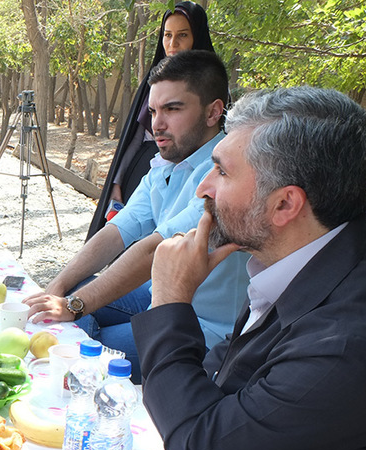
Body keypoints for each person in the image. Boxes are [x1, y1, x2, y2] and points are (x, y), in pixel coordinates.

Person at [131, 87, 366, 450]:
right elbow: (225, 373)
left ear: (285, 205)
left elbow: (195, 433)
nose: (203, 187)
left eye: (221, 171)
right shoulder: (310, 252)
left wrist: (169, 300)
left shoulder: (349, 340)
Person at [22, 50, 248, 382]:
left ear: (214, 111)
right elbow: (116, 232)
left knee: (82, 343)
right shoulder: (166, 164)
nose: (157, 124)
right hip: (158, 298)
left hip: (204, 328)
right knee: (76, 288)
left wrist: (74, 307)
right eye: (154, 111)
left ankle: (83, 381)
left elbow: (153, 250)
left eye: (173, 109)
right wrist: (58, 288)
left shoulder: (225, 175)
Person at [86, 1, 214, 240]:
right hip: (146, 167)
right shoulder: (155, 81)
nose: (173, 44)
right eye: (167, 35)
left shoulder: (213, 86)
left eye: (182, 35)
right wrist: (117, 182)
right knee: (127, 236)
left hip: (190, 173)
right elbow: (135, 136)